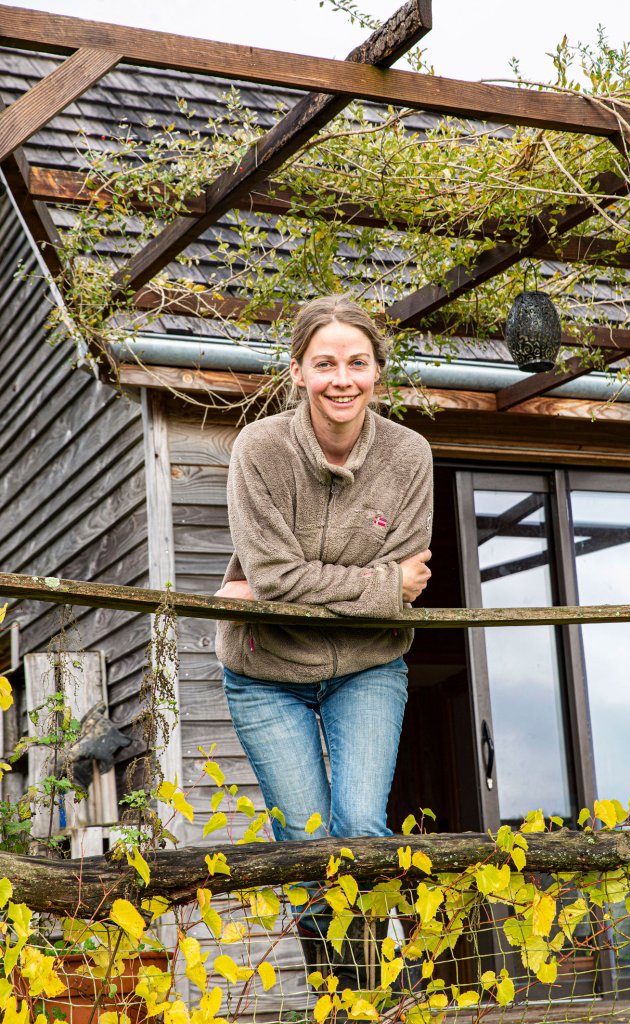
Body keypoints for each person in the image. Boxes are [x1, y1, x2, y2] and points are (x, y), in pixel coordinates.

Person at [214, 294, 433, 988]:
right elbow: (279, 577)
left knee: (363, 826)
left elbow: (405, 578)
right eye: (325, 363)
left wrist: (281, 591)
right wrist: (376, 584)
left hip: (368, 665)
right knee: (307, 844)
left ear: (377, 373)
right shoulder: (260, 449)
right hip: (265, 670)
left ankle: (377, 993)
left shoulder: (409, 455)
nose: (343, 378)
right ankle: (336, 998)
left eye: (357, 363)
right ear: (298, 372)